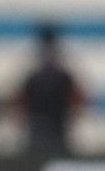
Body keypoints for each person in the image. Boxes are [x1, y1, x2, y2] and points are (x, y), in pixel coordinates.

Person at [14, 23, 87, 157]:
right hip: (39, 133)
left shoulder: (60, 77)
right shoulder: (34, 78)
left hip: (56, 133)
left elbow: (78, 103)